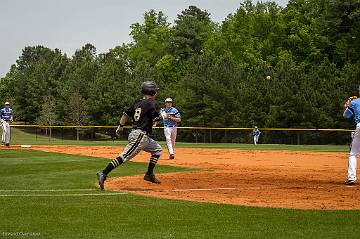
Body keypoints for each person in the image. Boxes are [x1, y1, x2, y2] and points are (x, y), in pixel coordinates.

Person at [96, 81, 163, 190]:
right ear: (152, 91)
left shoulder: (137, 102)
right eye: (156, 90)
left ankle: (149, 174)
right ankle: (103, 173)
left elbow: (125, 114)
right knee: (125, 156)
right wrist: (162, 116)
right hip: (140, 136)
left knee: (157, 150)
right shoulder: (152, 103)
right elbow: (155, 118)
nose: (157, 93)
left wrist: (120, 126)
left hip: (141, 136)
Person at [343, 92, 360, 185]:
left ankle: (351, 177)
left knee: (353, 153)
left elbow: (346, 115)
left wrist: (347, 106)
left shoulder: (355, 102)